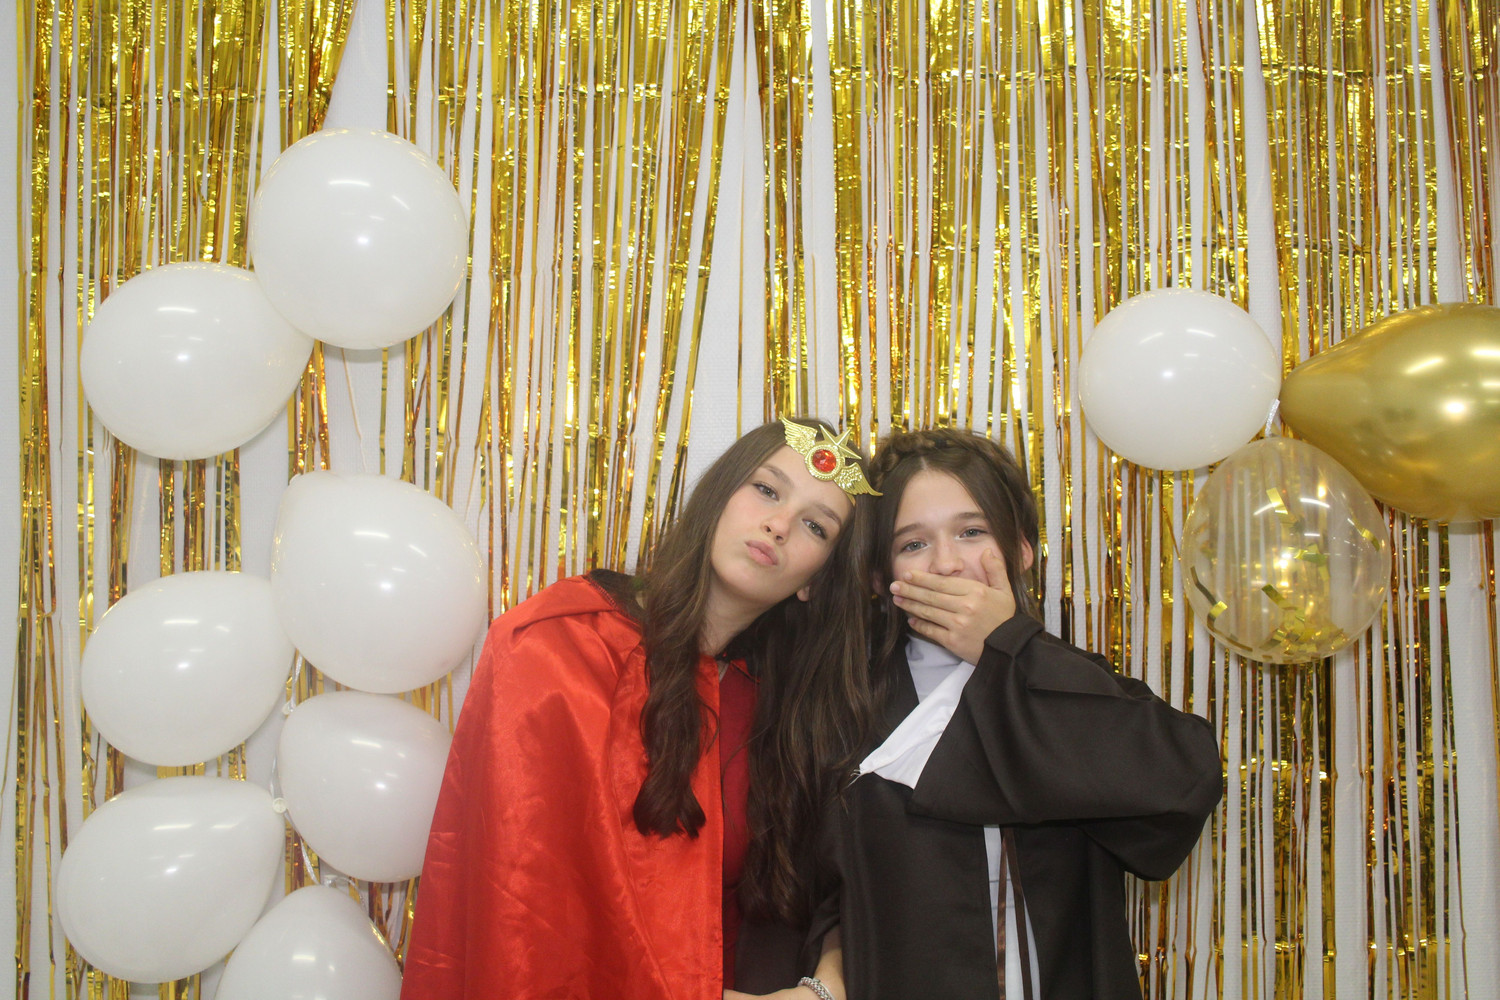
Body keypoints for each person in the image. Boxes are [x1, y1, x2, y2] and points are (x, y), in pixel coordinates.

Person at [401, 418, 879, 1000]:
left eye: (815, 526)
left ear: (815, 582)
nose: (778, 525)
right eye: (766, 489)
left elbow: (842, 887)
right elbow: (522, 910)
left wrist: (823, 986)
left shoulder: (784, 710)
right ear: (719, 496)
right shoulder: (556, 645)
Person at [813, 428, 1223, 1000]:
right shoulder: (845, 708)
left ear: (1022, 550)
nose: (947, 563)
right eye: (914, 544)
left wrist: (1010, 646)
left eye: (971, 531)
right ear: (880, 579)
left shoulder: (1069, 680)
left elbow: (1184, 781)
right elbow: (817, 896)